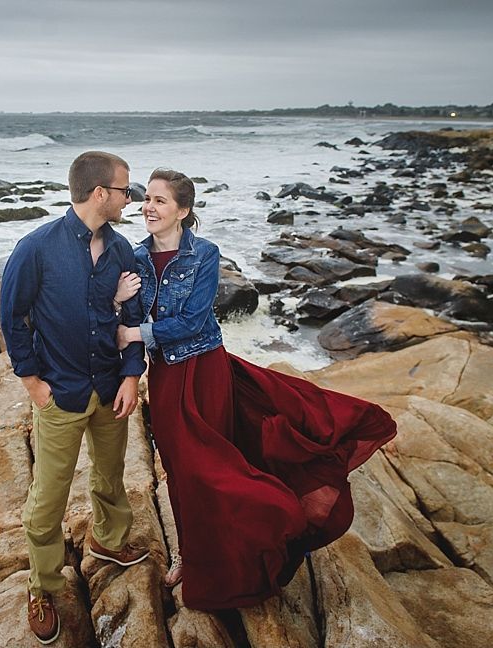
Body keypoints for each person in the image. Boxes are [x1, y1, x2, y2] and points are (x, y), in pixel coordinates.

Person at [114, 168, 397, 610]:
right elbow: (125, 312)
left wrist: (137, 332)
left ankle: (274, 519)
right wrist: (117, 302)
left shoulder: (204, 254)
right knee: (179, 470)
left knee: (211, 466)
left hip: (206, 371)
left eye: (160, 200)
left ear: (183, 211)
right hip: (166, 376)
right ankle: (191, 554)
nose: (148, 206)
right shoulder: (133, 258)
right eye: (146, 198)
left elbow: (191, 321)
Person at [0, 151, 151, 644]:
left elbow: (132, 321)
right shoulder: (36, 248)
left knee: (110, 477)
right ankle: (42, 585)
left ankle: (107, 543)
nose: (133, 199)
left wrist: (131, 376)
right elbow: (13, 318)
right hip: (60, 394)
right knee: (48, 498)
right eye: (127, 190)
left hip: (111, 389)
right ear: (100, 193)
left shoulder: (122, 250)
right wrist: (32, 382)